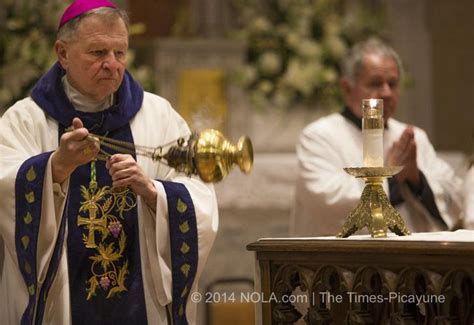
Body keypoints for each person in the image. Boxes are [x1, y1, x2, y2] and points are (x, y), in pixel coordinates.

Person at [0, 1, 218, 324]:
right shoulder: (25, 120)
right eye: (98, 52)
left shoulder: (159, 116)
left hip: (140, 303)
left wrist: (154, 192)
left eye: (120, 53)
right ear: (62, 54)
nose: (112, 65)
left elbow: (200, 194)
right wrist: (56, 168)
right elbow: (5, 186)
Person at [290, 38, 463, 237]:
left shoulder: (413, 136)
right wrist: (391, 177)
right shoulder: (319, 136)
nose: (387, 93)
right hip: (344, 263)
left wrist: (416, 178)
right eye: (375, 83)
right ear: (347, 89)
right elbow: (328, 202)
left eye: (393, 84)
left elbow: (455, 197)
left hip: (411, 261)